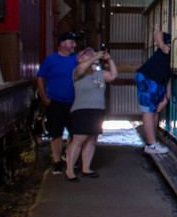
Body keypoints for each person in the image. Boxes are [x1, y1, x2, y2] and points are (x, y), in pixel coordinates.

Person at [65, 47, 117, 181]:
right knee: (79, 140)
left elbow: (113, 75)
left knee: (92, 139)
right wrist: (95, 57)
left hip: (97, 110)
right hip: (82, 110)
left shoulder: (99, 74)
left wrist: (109, 59)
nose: (89, 55)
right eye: (85, 54)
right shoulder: (77, 72)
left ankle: (86, 168)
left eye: (91, 54)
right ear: (79, 59)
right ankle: (69, 170)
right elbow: (82, 69)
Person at [36, 31, 78, 174]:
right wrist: (45, 98)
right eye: (71, 42)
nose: (74, 45)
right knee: (56, 133)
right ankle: (57, 162)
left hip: (74, 102)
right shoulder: (51, 60)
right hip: (55, 102)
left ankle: (70, 156)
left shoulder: (77, 59)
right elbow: (40, 78)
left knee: (75, 132)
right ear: (62, 44)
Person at [137, 29, 171, 155]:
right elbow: (157, 32)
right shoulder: (171, 41)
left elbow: (170, 78)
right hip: (148, 77)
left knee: (155, 111)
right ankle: (151, 145)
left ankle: (153, 142)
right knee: (148, 111)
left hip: (158, 81)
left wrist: (166, 99)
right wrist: (163, 47)